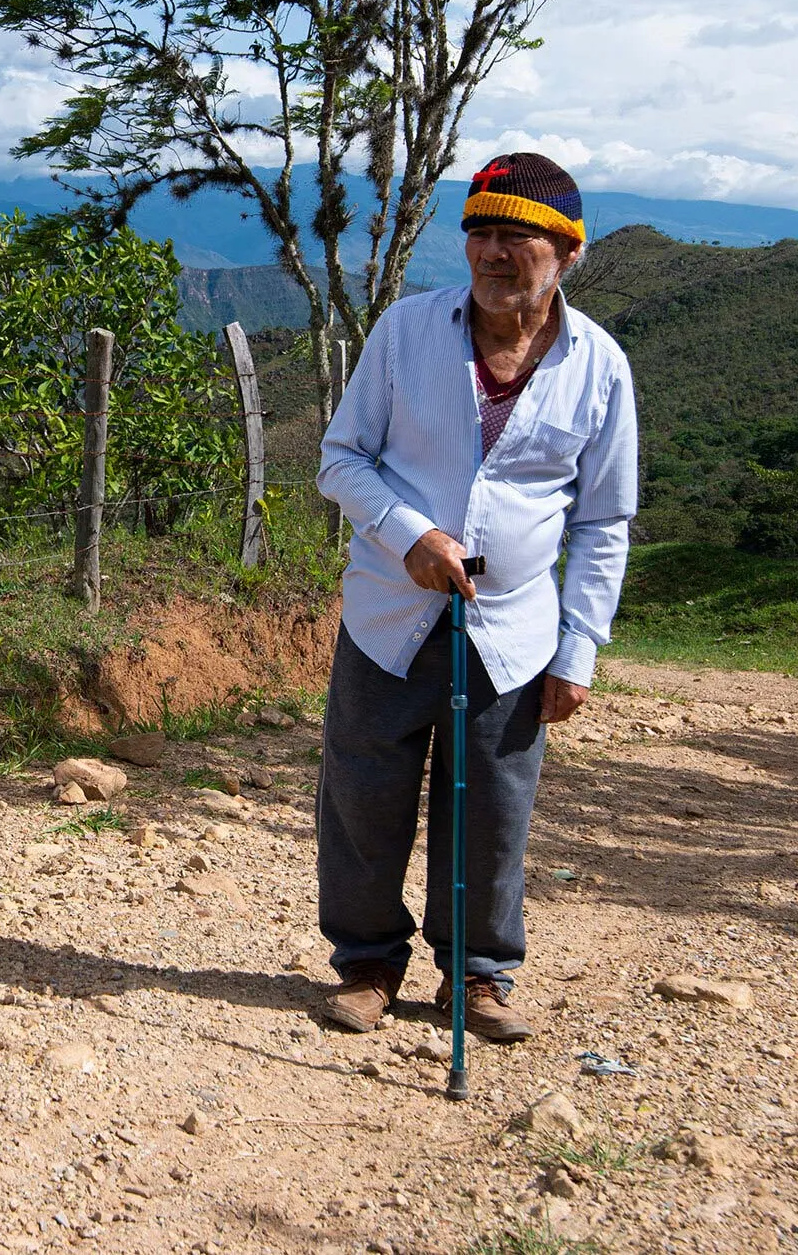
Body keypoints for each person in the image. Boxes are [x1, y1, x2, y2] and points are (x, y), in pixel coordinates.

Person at [313, 152, 637, 1042]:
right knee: (364, 795)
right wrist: (407, 536)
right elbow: (342, 460)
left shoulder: (599, 367)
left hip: (514, 630)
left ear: (567, 254)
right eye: (481, 235)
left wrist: (579, 651)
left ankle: (479, 974)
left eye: (518, 239)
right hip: (390, 611)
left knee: (492, 808)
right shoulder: (406, 333)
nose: (495, 254)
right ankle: (368, 962)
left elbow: (605, 520)